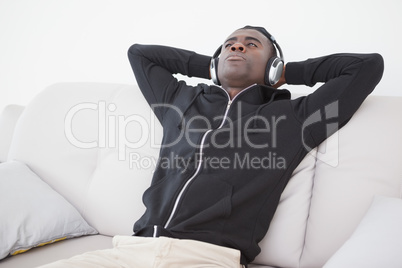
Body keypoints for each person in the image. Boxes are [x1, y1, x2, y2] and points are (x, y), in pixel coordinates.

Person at [40, 26, 384, 267]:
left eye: (252, 44)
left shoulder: (294, 118)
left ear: (272, 65)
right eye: (230, 44)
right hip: (130, 251)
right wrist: (207, 66)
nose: (237, 46)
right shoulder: (180, 101)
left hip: (209, 259)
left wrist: (287, 71)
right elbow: (141, 55)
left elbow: (366, 67)